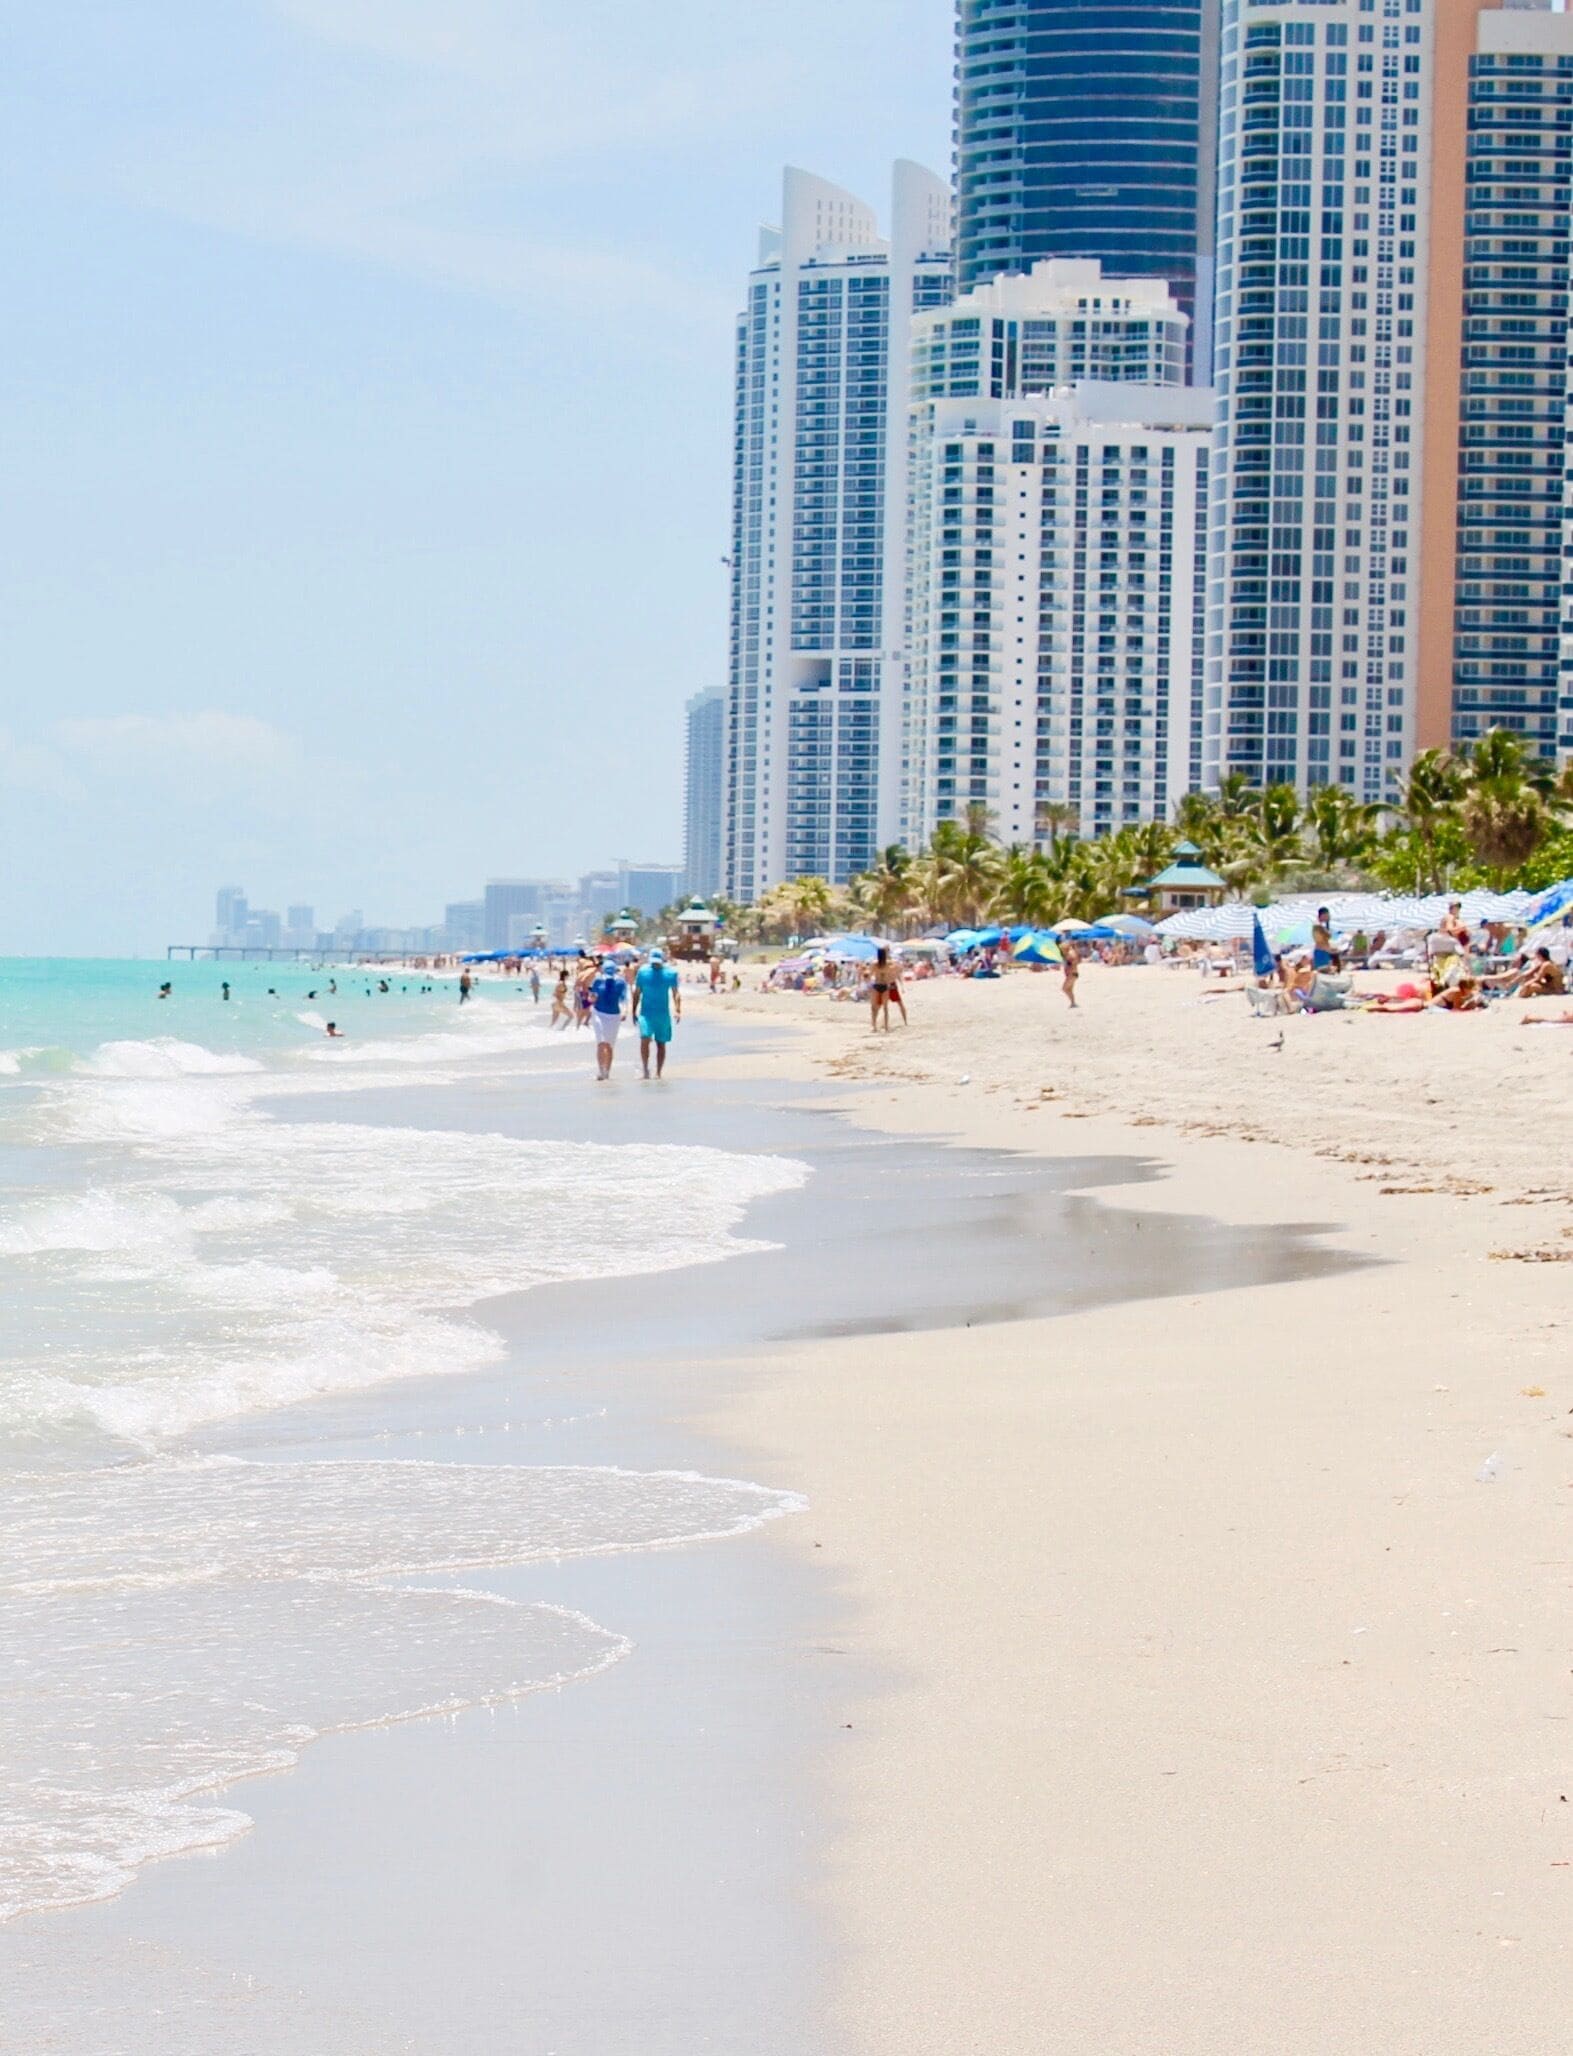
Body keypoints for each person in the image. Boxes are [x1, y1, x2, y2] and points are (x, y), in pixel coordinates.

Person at [634, 947, 683, 1079]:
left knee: (661, 1043)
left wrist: (678, 1010)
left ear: (662, 960)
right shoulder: (643, 972)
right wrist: (634, 1010)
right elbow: (637, 993)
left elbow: (676, 993)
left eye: (658, 961)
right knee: (645, 1039)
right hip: (646, 1014)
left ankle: (658, 1072)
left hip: (663, 1014)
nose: (656, 964)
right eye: (653, 961)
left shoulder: (670, 973)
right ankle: (645, 1069)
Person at [588, 957, 627, 1079]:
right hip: (599, 1014)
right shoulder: (598, 981)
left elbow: (624, 999)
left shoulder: (620, 983)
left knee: (609, 1045)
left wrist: (625, 1011)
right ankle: (601, 1071)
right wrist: (591, 999)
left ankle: (607, 1072)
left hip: (614, 1016)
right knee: (601, 1043)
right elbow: (592, 997)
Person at [1311, 907, 1336, 972]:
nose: (1328, 917)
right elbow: (1325, 938)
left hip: (1324, 952)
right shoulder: (1317, 926)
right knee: (1323, 972)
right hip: (1321, 952)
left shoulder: (1321, 926)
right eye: (1327, 915)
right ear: (1322, 915)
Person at [1061, 938, 1080, 1009]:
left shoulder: (1070, 955)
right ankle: (1073, 1003)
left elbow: (1073, 963)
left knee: (1064, 988)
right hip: (1073, 974)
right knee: (1069, 989)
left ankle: (1073, 1003)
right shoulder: (1070, 953)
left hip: (1072, 974)